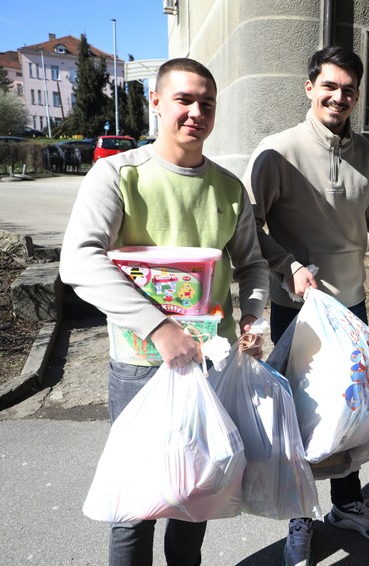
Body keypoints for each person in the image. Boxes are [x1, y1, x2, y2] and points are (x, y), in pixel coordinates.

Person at [59, 58, 270, 565]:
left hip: (207, 367)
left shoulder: (228, 189)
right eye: (184, 99)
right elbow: (78, 260)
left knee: (192, 498)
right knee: (134, 509)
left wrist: (253, 316)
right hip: (139, 368)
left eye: (207, 103)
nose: (196, 111)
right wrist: (158, 327)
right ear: (156, 102)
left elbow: (254, 265)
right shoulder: (117, 175)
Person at [242, 46, 369, 566]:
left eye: (349, 89)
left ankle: (347, 503)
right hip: (301, 312)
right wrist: (289, 266)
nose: (339, 96)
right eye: (329, 86)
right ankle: (300, 516)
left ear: (357, 95)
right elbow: (248, 230)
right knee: (303, 418)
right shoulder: (277, 151)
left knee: (353, 413)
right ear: (310, 87)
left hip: (353, 306)